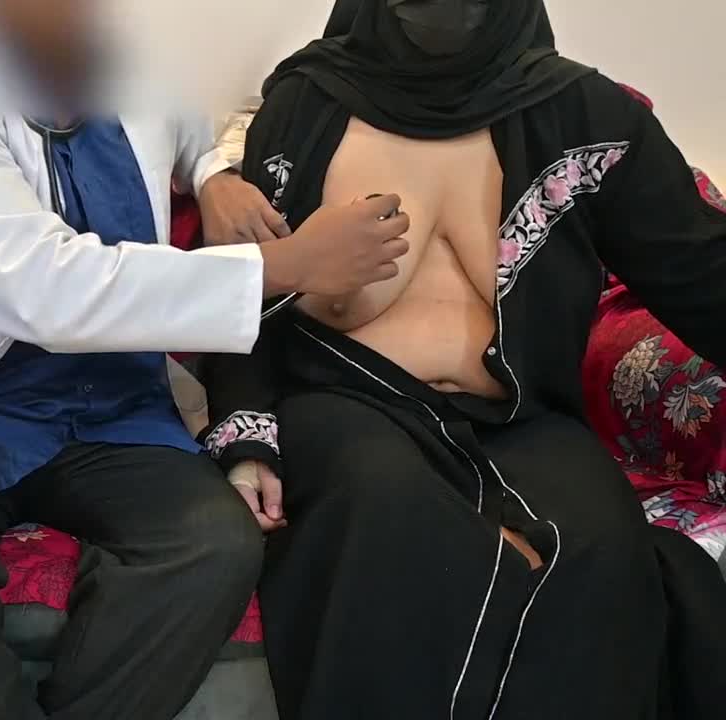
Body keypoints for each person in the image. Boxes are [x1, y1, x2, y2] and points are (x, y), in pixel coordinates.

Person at [0, 1, 415, 718]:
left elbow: (184, 125)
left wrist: (213, 174)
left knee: (211, 545)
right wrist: (285, 265)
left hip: (114, 405)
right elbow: (46, 289)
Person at [199, 1, 726, 718]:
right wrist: (246, 434)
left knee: (601, 550)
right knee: (394, 521)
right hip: (345, 401)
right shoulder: (308, 103)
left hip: (520, 419)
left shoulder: (585, 113)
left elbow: (698, 269)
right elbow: (243, 285)